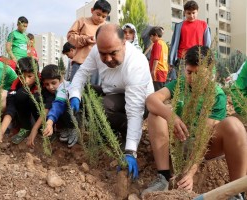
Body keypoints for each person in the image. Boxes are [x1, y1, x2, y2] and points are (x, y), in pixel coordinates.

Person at [142, 45, 247, 200]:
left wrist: (190, 173)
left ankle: (236, 193)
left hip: (204, 148)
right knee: (155, 115)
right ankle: (163, 177)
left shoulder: (216, 95)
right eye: (189, 72)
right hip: (178, 142)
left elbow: (203, 139)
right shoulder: (181, 83)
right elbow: (151, 100)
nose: (192, 78)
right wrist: (172, 116)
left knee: (234, 125)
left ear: (210, 72)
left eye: (199, 74)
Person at [68, 24, 154, 179]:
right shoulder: (97, 50)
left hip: (141, 102)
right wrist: (75, 95)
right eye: (103, 54)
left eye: (113, 53)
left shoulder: (136, 64)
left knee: (103, 106)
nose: (107, 59)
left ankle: (126, 133)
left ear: (124, 43)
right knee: (85, 93)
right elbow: (81, 74)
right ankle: (106, 132)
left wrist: (130, 151)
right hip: (113, 92)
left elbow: (135, 111)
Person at [27, 64, 77, 148]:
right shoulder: (50, 91)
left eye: (53, 83)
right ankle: (63, 127)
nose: (50, 87)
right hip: (61, 113)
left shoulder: (65, 87)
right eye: (47, 84)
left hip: (75, 113)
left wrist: (49, 123)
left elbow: (57, 106)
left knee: (64, 106)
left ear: (61, 79)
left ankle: (73, 128)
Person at [67, 0, 111, 84]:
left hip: (98, 65)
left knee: (94, 93)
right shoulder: (82, 21)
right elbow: (70, 36)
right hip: (80, 63)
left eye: (103, 16)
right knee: (75, 90)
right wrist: (85, 40)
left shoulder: (106, 27)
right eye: (98, 14)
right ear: (92, 10)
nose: (100, 18)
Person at [0, 57, 40, 144]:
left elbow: (49, 104)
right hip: (25, 115)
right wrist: (1, 131)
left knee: (36, 98)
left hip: (41, 115)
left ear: (36, 74)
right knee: (20, 94)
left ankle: (42, 128)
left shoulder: (45, 82)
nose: (26, 81)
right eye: (22, 77)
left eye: (30, 76)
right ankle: (25, 128)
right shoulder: (15, 85)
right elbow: (11, 108)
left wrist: (36, 128)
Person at [169, 1, 211, 71]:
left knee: (197, 81)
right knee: (182, 80)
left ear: (197, 12)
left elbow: (207, 44)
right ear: (184, 12)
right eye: (189, 13)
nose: (191, 16)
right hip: (182, 59)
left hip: (198, 59)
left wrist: (206, 59)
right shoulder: (179, 26)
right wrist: (171, 61)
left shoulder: (204, 25)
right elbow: (174, 43)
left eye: (193, 13)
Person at [148, 26, 168, 91]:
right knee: (161, 91)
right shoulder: (164, 44)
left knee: (157, 92)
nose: (150, 39)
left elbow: (156, 58)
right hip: (163, 70)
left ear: (156, 35)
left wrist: (153, 71)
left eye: (151, 36)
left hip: (157, 71)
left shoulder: (157, 43)